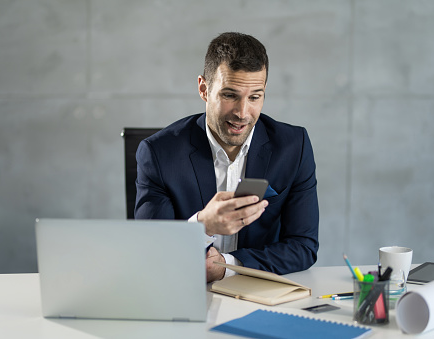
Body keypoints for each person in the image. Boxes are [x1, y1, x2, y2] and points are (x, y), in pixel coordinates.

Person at [135, 32, 319, 282]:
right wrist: (203, 226)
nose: (243, 113)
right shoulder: (158, 153)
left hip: (258, 293)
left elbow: (303, 247)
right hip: (184, 289)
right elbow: (152, 251)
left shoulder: (293, 147)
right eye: (229, 95)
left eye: (255, 97)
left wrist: (228, 265)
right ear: (204, 89)